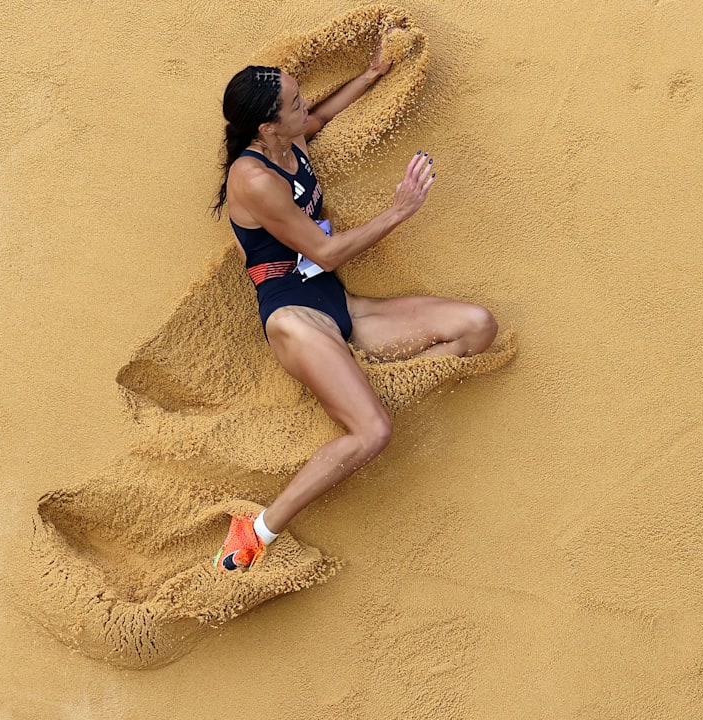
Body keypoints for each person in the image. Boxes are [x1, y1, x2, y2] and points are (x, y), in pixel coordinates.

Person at [208, 32, 498, 571]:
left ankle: (368, 385)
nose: (305, 105)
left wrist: (372, 74)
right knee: (374, 432)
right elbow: (325, 249)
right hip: (296, 317)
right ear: (267, 125)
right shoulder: (253, 178)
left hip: (338, 303)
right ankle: (258, 531)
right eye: (294, 102)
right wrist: (399, 210)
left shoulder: (288, 139)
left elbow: (317, 119)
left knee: (478, 327)